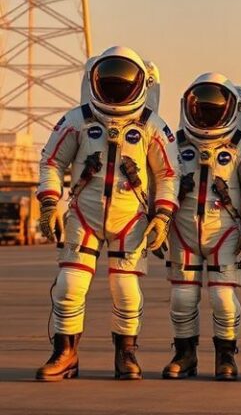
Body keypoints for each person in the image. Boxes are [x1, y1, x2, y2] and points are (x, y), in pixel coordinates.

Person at [36, 46, 180, 381]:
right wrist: (49, 202)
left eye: (122, 83)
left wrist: (161, 217)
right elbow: (52, 162)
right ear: (95, 80)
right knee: (69, 286)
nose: (115, 90)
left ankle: (126, 354)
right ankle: (65, 354)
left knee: (126, 291)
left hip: (130, 220)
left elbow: (168, 174)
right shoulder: (79, 119)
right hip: (84, 216)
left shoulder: (151, 125)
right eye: (109, 82)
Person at [162, 73, 241, 381]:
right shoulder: (174, 143)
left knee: (223, 299)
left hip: (225, 231)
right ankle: (185, 355)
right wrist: (158, 221)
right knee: (182, 298)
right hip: (182, 229)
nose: (206, 112)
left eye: (213, 106)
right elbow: (160, 182)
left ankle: (226, 355)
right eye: (200, 106)